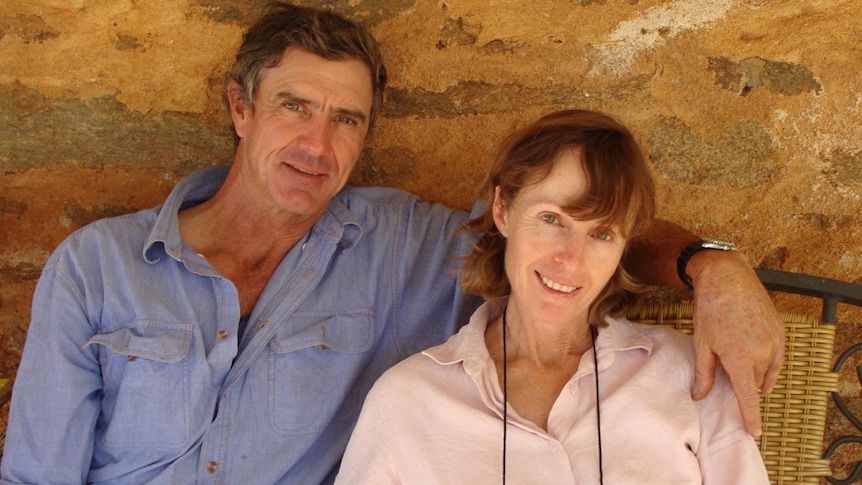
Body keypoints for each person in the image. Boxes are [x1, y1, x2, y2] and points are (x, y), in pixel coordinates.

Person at [0, 3, 782, 484]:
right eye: (294, 107)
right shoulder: (96, 267)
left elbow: (576, 221)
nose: (318, 143)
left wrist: (710, 266)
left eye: (347, 119)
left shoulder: (406, 246)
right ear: (240, 107)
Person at [335, 109, 770, 484]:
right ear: (503, 210)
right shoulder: (408, 399)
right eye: (552, 218)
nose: (570, 259)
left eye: (601, 233)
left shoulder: (689, 375)